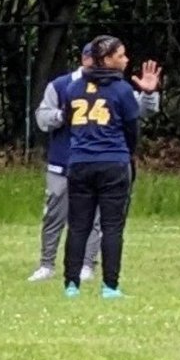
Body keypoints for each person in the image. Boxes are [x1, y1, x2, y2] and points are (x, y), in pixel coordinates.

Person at [28, 42, 160, 282]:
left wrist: (149, 94)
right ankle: (47, 264)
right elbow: (42, 118)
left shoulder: (117, 88)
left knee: (97, 220)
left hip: (98, 161)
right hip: (65, 161)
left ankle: (86, 266)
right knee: (56, 216)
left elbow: (139, 112)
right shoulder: (63, 86)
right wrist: (64, 116)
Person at [59, 35, 140, 298]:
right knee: (112, 226)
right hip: (113, 161)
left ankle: (71, 284)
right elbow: (132, 127)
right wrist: (128, 153)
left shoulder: (73, 89)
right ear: (106, 60)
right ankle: (110, 286)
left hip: (80, 161)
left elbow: (70, 123)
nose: (126, 60)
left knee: (78, 225)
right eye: (121, 56)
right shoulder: (122, 90)